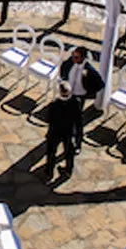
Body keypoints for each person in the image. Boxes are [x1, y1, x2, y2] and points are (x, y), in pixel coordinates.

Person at [44, 46, 103, 179]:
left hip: (78, 97)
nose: (73, 58)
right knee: (62, 149)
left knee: (63, 147)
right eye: (73, 56)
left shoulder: (89, 70)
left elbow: (99, 84)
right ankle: (59, 170)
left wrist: (88, 93)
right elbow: (64, 67)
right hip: (67, 124)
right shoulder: (69, 63)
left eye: (76, 57)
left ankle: (76, 145)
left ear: (82, 57)